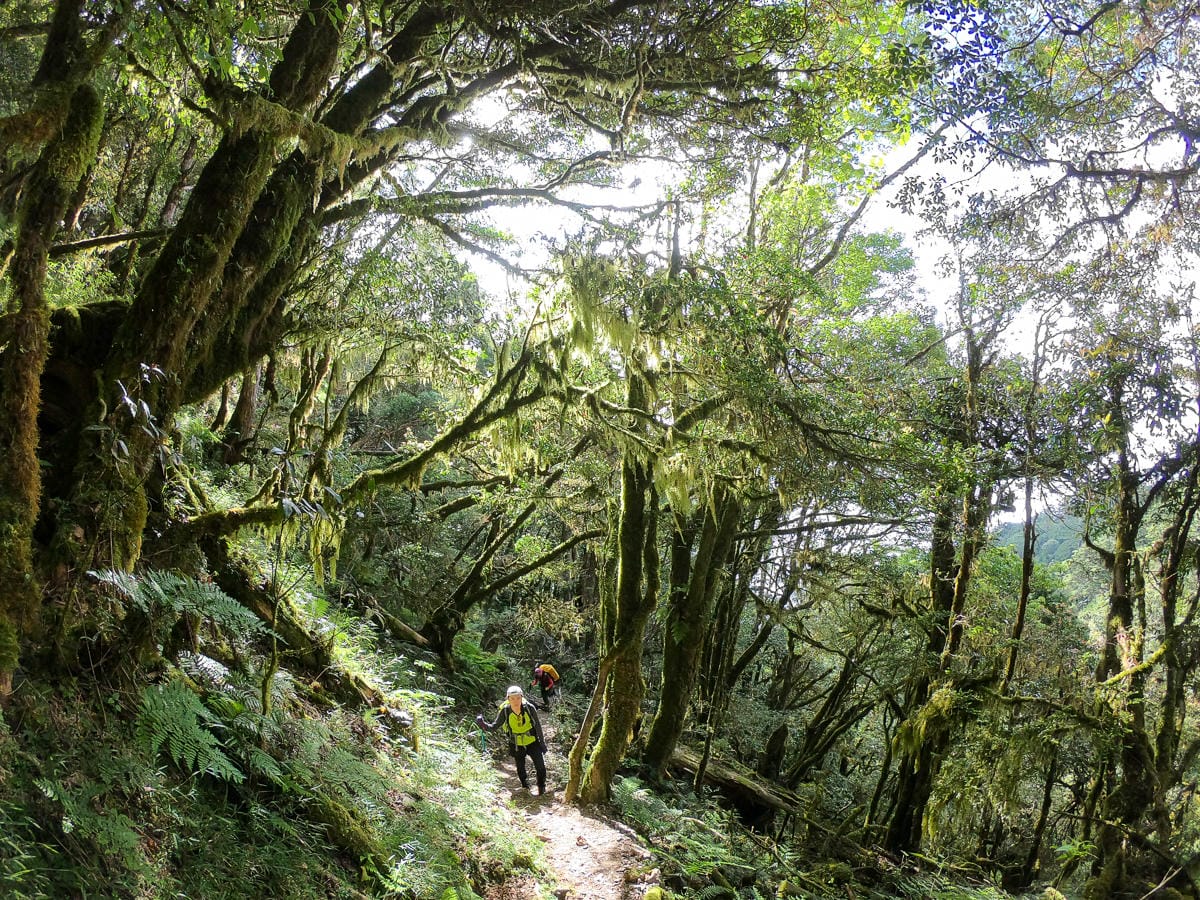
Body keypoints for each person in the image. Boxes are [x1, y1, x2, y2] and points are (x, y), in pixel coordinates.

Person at [476, 686, 547, 795]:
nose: (515, 701)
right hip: (516, 743)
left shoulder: (529, 708)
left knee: (541, 767)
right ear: (508, 699)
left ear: (522, 697)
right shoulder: (505, 711)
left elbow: (537, 726)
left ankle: (541, 787)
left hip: (532, 741)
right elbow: (494, 726)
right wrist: (483, 725)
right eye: (512, 698)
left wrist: (542, 743)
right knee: (520, 768)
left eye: (518, 698)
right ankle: (525, 786)